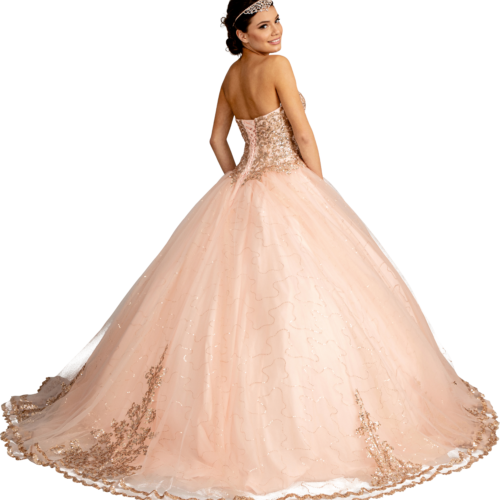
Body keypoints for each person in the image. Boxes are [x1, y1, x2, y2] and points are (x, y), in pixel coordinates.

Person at [1, 1, 498, 500]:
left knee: (225, 301)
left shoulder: (230, 77)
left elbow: (216, 140)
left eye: (278, 21)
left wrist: (238, 177)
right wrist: (318, 189)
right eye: (263, 25)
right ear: (241, 34)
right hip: (289, 182)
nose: (276, 31)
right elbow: (303, 131)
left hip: (243, 187)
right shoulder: (278, 66)